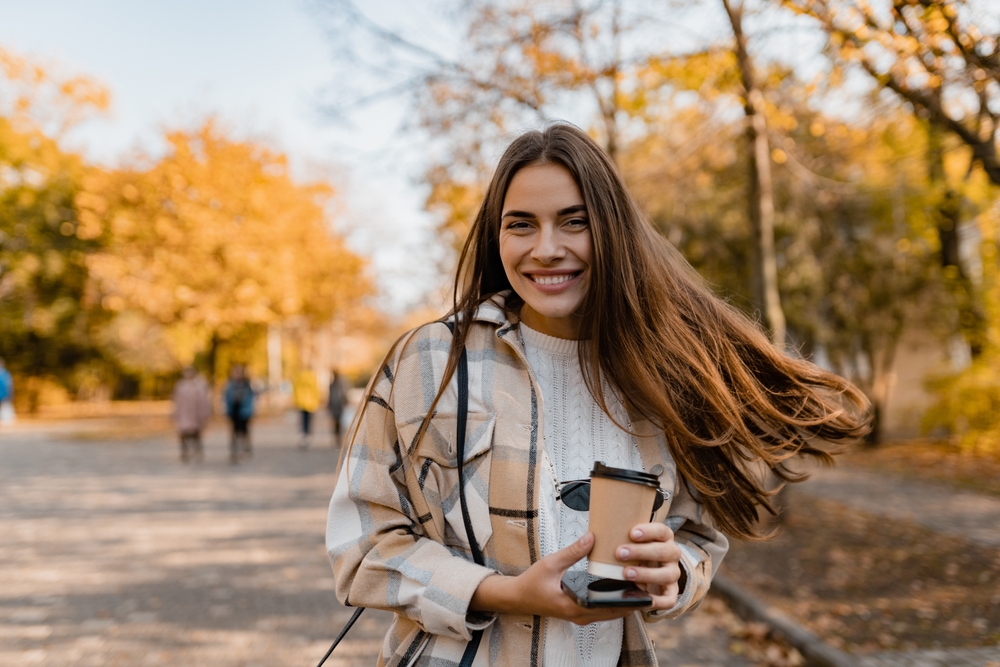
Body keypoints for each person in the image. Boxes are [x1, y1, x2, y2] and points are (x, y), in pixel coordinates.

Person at [326, 124, 871, 667]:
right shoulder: (430, 361)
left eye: (573, 222)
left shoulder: (665, 367)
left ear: (612, 230)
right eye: (521, 225)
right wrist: (503, 592)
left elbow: (698, 536)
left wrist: (672, 572)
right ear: (498, 237)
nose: (546, 249)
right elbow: (363, 546)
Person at [171, 366, 212, 462]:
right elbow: (176, 401)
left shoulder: (199, 386)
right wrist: (175, 413)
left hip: (195, 414)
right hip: (184, 413)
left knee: (196, 434)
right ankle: (184, 452)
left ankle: (198, 451)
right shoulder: (180, 386)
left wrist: (204, 414)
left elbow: (203, 401)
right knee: (183, 434)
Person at [224, 364, 254, 464]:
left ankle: (245, 449)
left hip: (244, 411)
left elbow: (251, 399)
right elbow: (226, 398)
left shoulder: (247, 385)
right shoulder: (230, 385)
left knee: (244, 431)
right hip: (233, 411)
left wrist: (249, 411)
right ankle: (234, 450)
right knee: (233, 432)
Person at [293, 366, 320, 449]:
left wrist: (296, 401)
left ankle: (303, 436)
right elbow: (316, 390)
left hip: (301, 402)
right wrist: (316, 402)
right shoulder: (312, 377)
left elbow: (296, 389)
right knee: (309, 421)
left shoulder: (299, 376)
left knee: (302, 420)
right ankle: (307, 436)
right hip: (311, 403)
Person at [327, 369, 348, 448]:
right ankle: (336, 437)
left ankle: (339, 437)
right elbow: (330, 395)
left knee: (339, 422)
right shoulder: (332, 384)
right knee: (335, 422)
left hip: (340, 405)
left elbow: (344, 393)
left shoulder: (341, 384)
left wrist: (345, 400)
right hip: (334, 405)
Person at [0, 358, 14, 425]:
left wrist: (10, 394)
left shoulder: (6, 374)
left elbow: (9, 385)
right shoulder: (6, 374)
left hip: (4, 394)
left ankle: (6, 421)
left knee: (5, 407)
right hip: (3, 393)